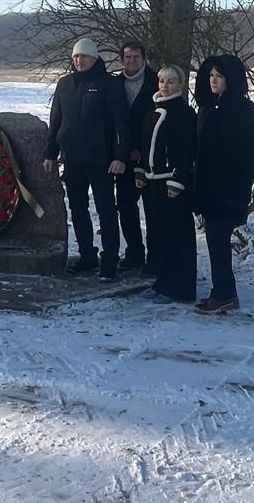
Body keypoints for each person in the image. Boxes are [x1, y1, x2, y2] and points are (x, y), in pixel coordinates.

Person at [43, 37, 130, 280]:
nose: (80, 61)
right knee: (78, 209)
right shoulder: (64, 85)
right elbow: (55, 121)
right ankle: (87, 256)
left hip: (101, 159)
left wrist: (120, 156)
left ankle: (110, 261)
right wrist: (50, 152)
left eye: (85, 56)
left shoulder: (109, 84)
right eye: (76, 57)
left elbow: (122, 123)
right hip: (72, 158)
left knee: (106, 210)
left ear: (94, 58)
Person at [192, 55, 254, 314]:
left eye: (219, 76)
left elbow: (244, 154)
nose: (213, 81)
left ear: (231, 80)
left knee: (219, 242)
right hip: (209, 187)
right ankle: (225, 292)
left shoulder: (242, 109)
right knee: (214, 242)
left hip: (227, 188)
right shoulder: (210, 107)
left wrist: (233, 187)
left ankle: (223, 294)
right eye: (210, 76)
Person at [135, 64, 197, 304]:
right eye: (161, 80)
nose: (164, 85)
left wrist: (178, 179)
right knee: (159, 235)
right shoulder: (154, 110)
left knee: (177, 236)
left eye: (170, 81)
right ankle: (163, 282)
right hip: (153, 183)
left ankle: (180, 288)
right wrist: (141, 170)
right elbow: (144, 144)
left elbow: (186, 150)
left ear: (180, 85)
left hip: (171, 184)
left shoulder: (183, 113)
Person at [114, 41, 158, 272]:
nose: (131, 61)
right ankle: (134, 253)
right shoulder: (114, 84)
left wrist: (141, 147)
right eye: (127, 57)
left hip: (151, 156)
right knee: (126, 207)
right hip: (123, 158)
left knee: (152, 209)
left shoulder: (156, 81)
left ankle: (155, 257)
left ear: (144, 58)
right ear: (121, 60)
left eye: (136, 57)